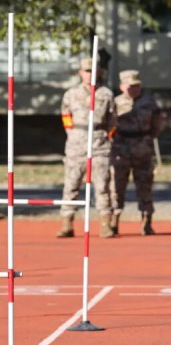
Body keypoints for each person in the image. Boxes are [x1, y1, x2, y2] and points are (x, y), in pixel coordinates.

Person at [57, 58, 116, 238]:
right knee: (71, 184)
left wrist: (106, 136)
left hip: (99, 144)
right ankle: (67, 223)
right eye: (87, 71)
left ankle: (105, 224)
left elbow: (113, 121)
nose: (90, 74)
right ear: (80, 73)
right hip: (76, 144)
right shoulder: (71, 94)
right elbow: (66, 116)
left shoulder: (106, 94)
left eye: (93, 71)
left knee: (102, 186)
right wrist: (73, 134)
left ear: (99, 72)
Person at [110, 70, 164, 237]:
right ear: (122, 87)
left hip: (142, 149)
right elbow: (109, 124)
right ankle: (113, 221)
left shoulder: (149, 103)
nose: (133, 89)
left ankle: (146, 222)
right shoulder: (115, 103)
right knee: (116, 186)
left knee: (145, 186)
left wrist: (147, 138)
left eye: (136, 86)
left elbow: (157, 124)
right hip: (121, 148)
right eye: (130, 86)